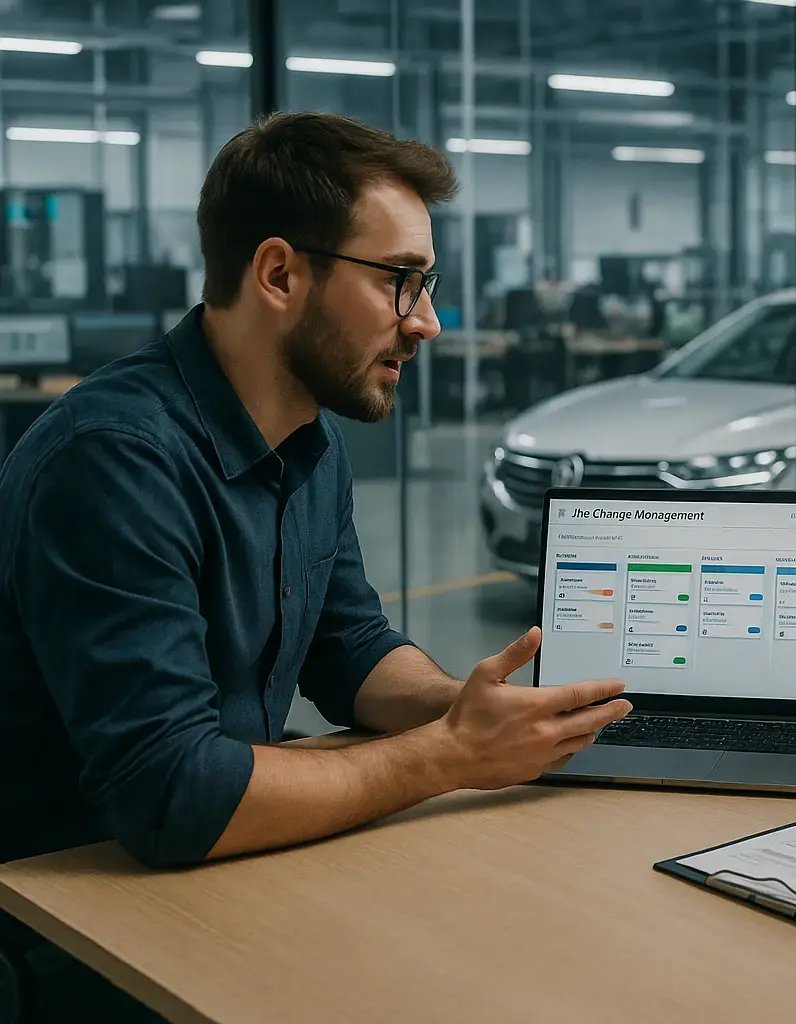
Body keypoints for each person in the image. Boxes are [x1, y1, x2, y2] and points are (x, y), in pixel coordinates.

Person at [0, 111, 632, 875]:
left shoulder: (306, 436)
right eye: (398, 280)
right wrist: (448, 756)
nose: (425, 322)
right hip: (74, 906)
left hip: (219, 863)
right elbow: (170, 791)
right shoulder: (113, 461)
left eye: (425, 284)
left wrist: (474, 710)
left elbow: (350, 651)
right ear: (279, 275)